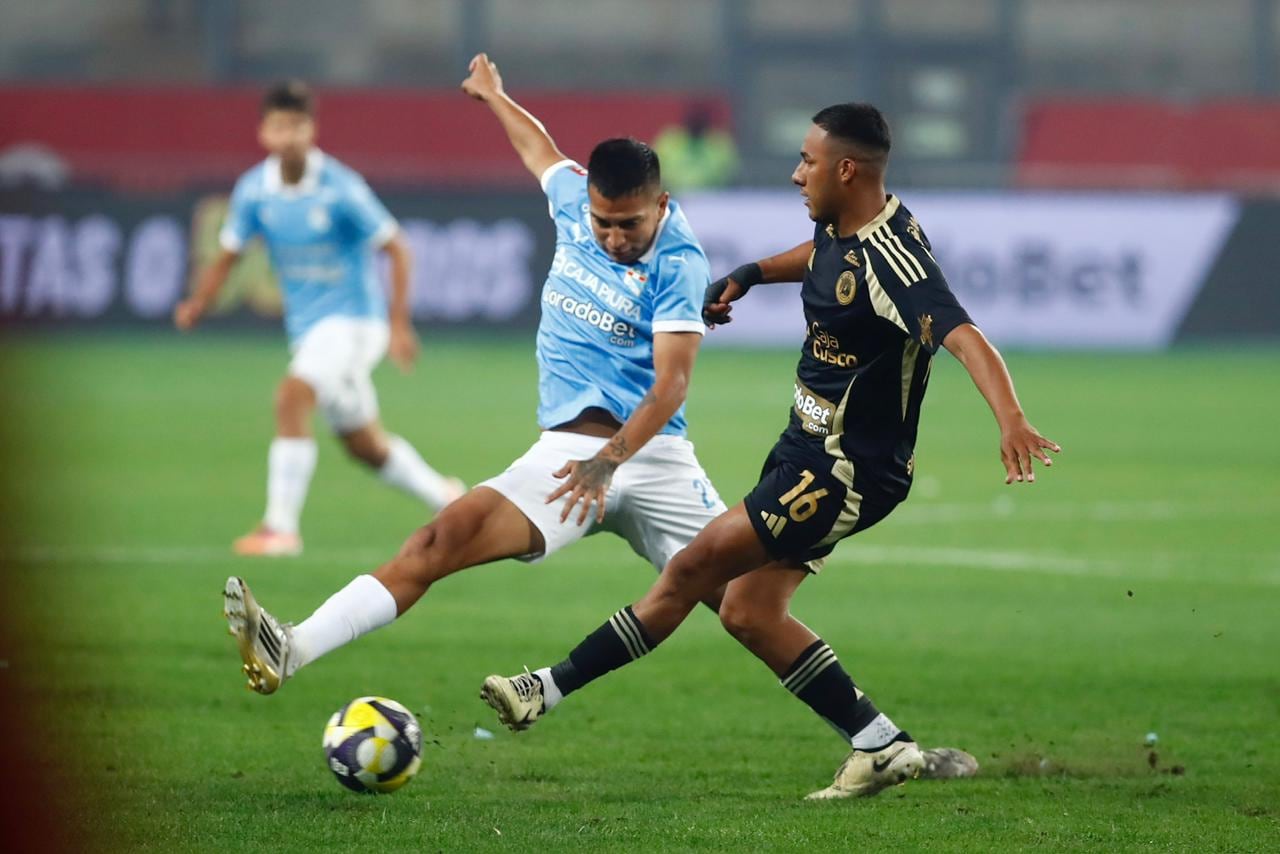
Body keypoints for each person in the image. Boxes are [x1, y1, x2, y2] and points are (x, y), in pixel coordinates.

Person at [481, 102, 1061, 800]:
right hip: (805, 448)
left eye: (808, 161)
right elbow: (823, 259)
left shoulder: (896, 264)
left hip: (843, 470)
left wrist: (1011, 419)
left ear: (847, 170)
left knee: (692, 568)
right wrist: (751, 274)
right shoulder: (844, 224)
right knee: (748, 613)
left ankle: (545, 688)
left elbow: (964, 336)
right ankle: (881, 744)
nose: (796, 173)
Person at [219, 53, 725, 696]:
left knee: (750, 609)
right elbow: (538, 148)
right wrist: (494, 95)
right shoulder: (573, 197)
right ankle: (291, 647)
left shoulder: (679, 262)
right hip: (566, 458)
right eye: (604, 223)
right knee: (437, 539)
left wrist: (610, 460)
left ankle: (857, 725)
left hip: (654, 459)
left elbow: (672, 386)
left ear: (661, 205)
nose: (615, 238)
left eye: (631, 224)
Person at [175, 80, 463, 557]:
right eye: (279, 126)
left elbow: (397, 248)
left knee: (292, 396)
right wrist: (198, 302)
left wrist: (398, 324)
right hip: (310, 331)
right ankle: (447, 497)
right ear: (263, 132)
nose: (287, 136)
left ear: (311, 130)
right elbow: (228, 253)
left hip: (356, 324)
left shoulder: (341, 187)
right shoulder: (254, 190)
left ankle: (280, 528)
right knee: (364, 445)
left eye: (296, 126)